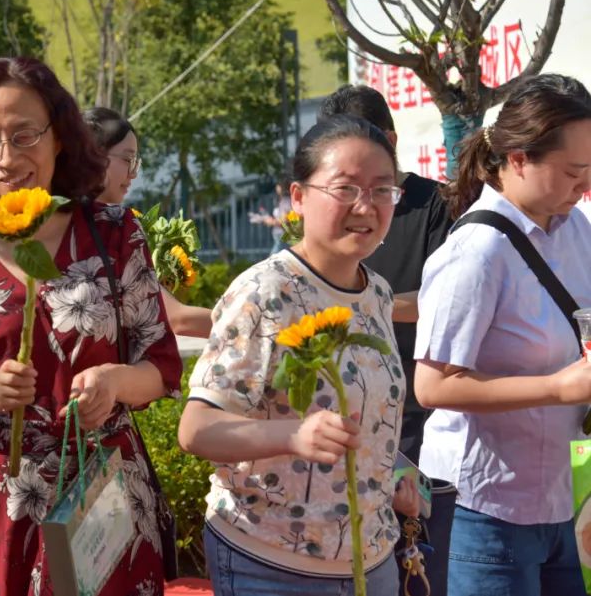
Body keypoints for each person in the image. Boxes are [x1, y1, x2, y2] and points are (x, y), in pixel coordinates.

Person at [0, 57, 182, 595]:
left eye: (24, 135)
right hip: (4, 509)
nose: (6, 158)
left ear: (60, 138)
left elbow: (162, 366)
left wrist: (114, 382)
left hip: (104, 500)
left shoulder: (116, 233)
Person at [179, 115, 418, 596]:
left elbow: (368, 413)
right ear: (299, 196)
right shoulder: (266, 292)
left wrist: (391, 474)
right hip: (271, 565)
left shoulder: (376, 293)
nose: (365, 206)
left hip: (372, 560)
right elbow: (197, 429)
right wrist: (293, 435)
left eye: (382, 190)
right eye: (345, 188)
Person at [414, 73, 591, 596]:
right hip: (486, 510)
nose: (583, 187)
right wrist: (556, 388)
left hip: (566, 495)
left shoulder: (576, 228)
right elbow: (433, 386)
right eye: (572, 172)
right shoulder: (476, 252)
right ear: (517, 159)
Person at [319, 84, 454, 595]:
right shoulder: (327, 212)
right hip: (344, 420)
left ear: (391, 142)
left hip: (415, 418)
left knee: (416, 564)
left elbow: (443, 300)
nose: (361, 202)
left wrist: (365, 303)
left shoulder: (435, 204)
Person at [83, 106, 212, 338]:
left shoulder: (43, 220)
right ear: (93, 155)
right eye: (128, 160)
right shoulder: (117, 228)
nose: (133, 174)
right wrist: (255, 319)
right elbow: (176, 318)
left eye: (136, 162)